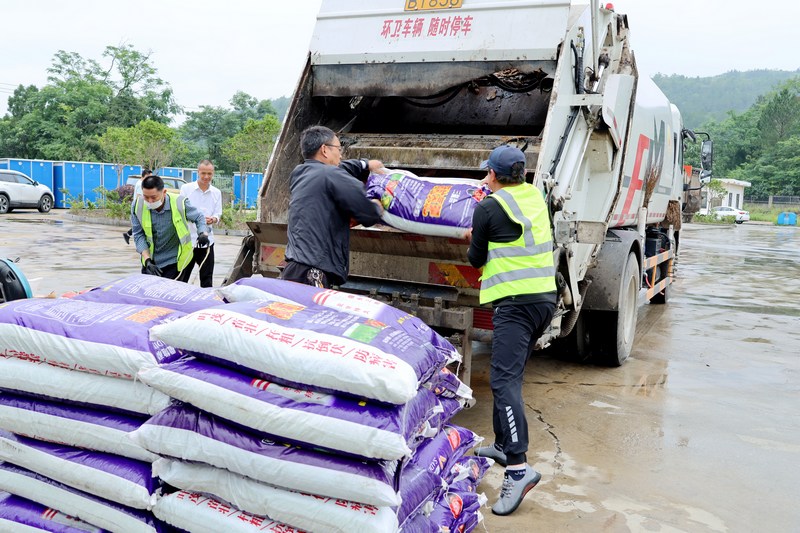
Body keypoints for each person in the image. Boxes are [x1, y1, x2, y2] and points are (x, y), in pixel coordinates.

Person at [465, 145, 557, 516]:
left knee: (504, 383)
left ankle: (518, 468)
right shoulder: (535, 196)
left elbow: (475, 259)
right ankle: (503, 445)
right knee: (510, 375)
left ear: (492, 175)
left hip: (515, 307)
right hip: (543, 302)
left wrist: (475, 229)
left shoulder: (488, 207)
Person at [281, 125, 385, 288]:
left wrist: (364, 165)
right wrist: (377, 206)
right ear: (324, 150)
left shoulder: (299, 173)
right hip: (313, 274)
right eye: (338, 148)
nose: (341, 153)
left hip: (294, 269)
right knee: (313, 314)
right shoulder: (331, 175)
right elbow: (367, 214)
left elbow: (336, 170)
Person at [131, 174, 209, 281]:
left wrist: (203, 233)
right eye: (146, 197)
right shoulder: (138, 206)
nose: (150, 201)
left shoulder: (180, 203)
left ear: (164, 192)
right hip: (151, 262)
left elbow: (199, 217)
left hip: (175, 262)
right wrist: (147, 260)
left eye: (154, 197)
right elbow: (138, 234)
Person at [177, 160, 222, 287]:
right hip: (187, 242)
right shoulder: (186, 189)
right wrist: (197, 219)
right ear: (198, 172)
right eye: (203, 173)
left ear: (213, 173)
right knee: (182, 277)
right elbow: (180, 211)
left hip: (207, 242)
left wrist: (213, 219)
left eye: (209, 173)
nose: (206, 177)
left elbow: (218, 213)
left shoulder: (216, 193)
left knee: (207, 279)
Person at [123, 169, 152, 244]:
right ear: (145, 176)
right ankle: (132, 236)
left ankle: (128, 235)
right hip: (140, 206)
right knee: (141, 224)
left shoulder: (140, 183)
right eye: (149, 177)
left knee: (140, 224)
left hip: (139, 206)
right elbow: (139, 197)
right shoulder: (141, 184)